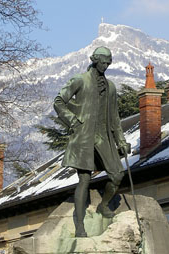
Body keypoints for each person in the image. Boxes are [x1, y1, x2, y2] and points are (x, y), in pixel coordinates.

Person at [54, 46, 130, 237]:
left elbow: (114, 118)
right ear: (95, 60)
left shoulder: (111, 87)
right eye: (103, 62)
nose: (106, 65)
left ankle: (103, 205)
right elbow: (58, 101)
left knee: (117, 174)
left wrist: (120, 140)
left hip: (103, 136)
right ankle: (80, 225)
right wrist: (73, 121)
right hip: (84, 136)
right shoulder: (81, 80)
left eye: (109, 63)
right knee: (84, 179)